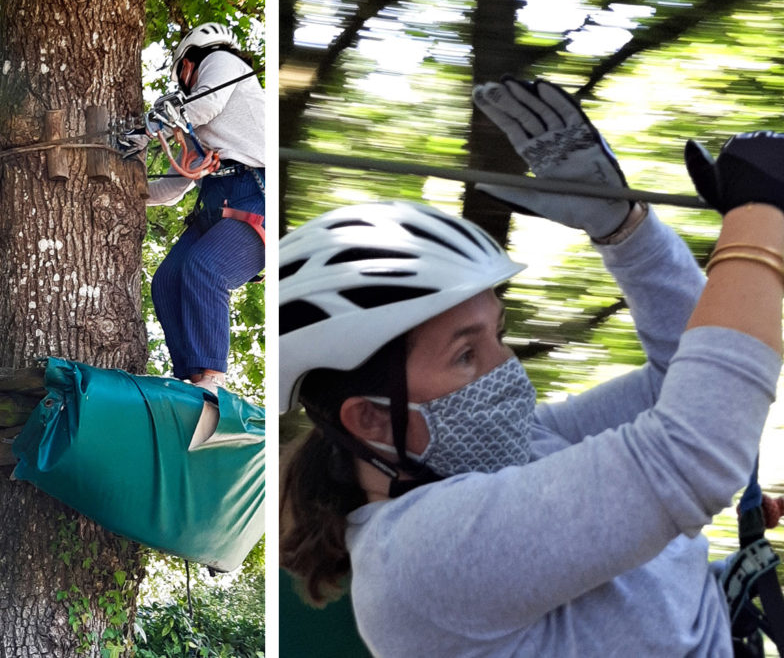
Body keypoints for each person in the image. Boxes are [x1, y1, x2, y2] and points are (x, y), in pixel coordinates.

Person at [279, 76, 784, 656]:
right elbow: (695, 452)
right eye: (467, 354)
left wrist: (629, 232)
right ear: (369, 419)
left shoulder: (523, 447)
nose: (507, 367)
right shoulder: (423, 555)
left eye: (499, 334)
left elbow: (685, 375)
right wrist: (761, 215)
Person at [146, 22, 265, 393]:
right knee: (166, 281)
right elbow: (174, 186)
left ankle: (212, 380)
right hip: (215, 202)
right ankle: (191, 378)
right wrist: (126, 191)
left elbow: (206, 103)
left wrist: (149, 128)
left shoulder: (222, 61)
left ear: (187, 65)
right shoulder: (193, 125)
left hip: (255, 192)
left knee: (206, 270)